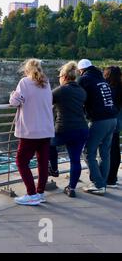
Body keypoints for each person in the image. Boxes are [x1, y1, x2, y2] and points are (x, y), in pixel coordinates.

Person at [10, 59, 55, 206]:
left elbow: (15, 102)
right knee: (42, 162)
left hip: (30, 131)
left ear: (27, 69)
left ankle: (31, 194)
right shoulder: (46, 82)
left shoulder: (24, 82)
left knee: (21, 161)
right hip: (46, 129)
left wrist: (13, 94)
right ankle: (40, 193)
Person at [78, 59, 118, 195]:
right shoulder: (101, 79)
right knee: (105, 153)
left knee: (88, 152)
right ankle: (102, 182)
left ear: (81, 70)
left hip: (99, 120)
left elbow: (77, 95)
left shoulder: (85, 79)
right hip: (112, 119)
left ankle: (99, 184)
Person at [49, 62, 89, 198]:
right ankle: (71, 188)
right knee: (75, 160)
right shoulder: (82, 91)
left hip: (64, 128)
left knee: (49, 144)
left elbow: (45, 100)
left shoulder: (61, 90)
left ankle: (54, 169)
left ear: (65, 77)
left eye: (60, 76)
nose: (59, 78)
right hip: (81, 129)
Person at [104, 66, 122, 188]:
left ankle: (108, 178)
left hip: (109, 120)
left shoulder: (109, 89)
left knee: (108, 150)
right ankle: (113, 178)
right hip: (119, 121)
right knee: (115, 149)